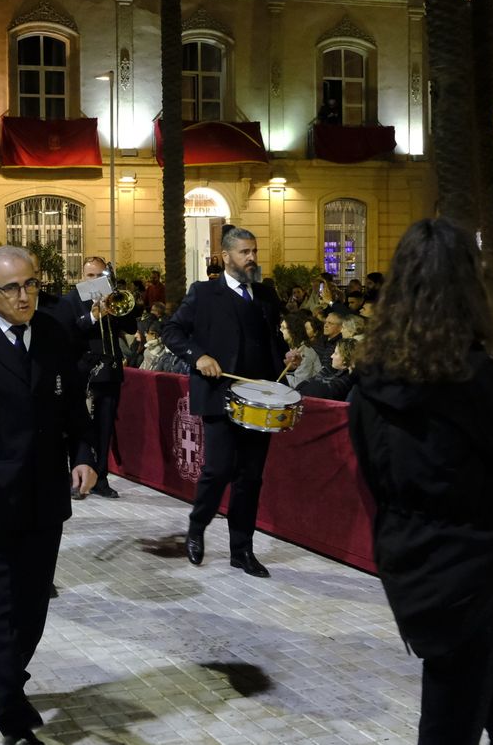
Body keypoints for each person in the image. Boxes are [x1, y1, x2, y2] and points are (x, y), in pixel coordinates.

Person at [349, 217, 493, 744]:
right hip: (463, 567)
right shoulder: (471, 378)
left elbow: (402, 470)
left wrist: (492, 480)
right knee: (450, 728)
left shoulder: (372, 377)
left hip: (410, 559)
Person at [0, 245, 94, 743]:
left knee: (34, 602)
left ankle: (13, 674)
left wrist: (84, 456)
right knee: (0, 603)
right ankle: (9, 702)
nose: (24, 294)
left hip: (47, 492)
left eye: (31, 283)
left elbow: (75, 405)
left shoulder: (55, 333)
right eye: (11, 287)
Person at [160, 226, 287, 578]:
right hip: (219, 396)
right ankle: (197, 528)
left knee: (250, 477)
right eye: (245, 252)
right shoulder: (202, 293)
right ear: (226, 256)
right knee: (217, 471)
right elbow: (172, 331)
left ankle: (241, 550)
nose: (252, 258)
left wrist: (285, 361)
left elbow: (271, 339)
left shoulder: (264, 294)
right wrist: (198, 356)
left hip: (259, 399)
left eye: (254, 251)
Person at [53, 256, 136, 499]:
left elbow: (131, 327)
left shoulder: (113, 298)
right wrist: (93, 317)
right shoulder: (70, 301)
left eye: (100, 276)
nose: (95, 281)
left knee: (105, 428)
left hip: (110, 373)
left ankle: (101, 478)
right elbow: (68, 333)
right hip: (84, 373)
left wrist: (118, 304)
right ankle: (77, 478)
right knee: (80, 428)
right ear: (82, 277)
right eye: (90, 276)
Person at [295, 337, 358, 401]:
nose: (331, 356)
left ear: (345, 359)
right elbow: (309, 381)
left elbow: (321, 391)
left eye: (336, 353)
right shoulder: (330, 368)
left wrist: (300, 391)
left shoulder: (347, 379)